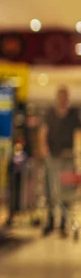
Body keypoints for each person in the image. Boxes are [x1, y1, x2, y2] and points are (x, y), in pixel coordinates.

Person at [38, 86, 81, 237]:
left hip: (67, 157)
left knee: (66, 192)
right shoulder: (50, 114)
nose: (63, 99)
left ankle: (63, 223)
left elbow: (77, 134)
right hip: (53, 157)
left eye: (65, 96)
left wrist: (76, 152)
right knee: (50, 190)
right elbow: (43, 132)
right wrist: (44, 149)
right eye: (61, 96)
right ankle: (50, 222)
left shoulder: (73, 115)